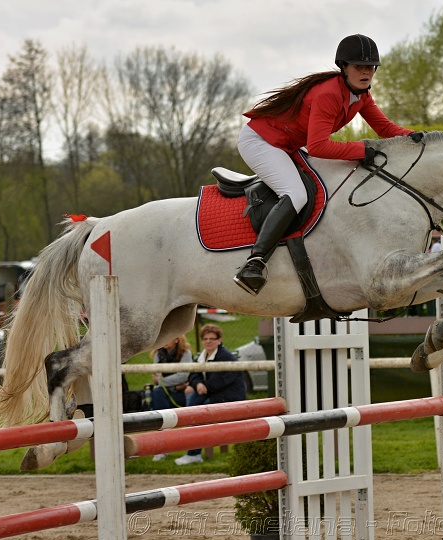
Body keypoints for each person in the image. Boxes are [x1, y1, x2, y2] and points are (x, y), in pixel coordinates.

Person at [234, 34, 417, 295]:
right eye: (359, 67)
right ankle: (254, 262)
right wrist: (359, 150)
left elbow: (385, 128)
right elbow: (319, 146)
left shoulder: (361, 95)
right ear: (344, 67)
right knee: (295, 193)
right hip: (261, 142)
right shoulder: (329, 94)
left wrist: (411, 136)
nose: (366, 72)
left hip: (287, 144)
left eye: (370, 67)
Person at [176, 324, 247, 465]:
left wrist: (203, 386)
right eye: (205, 339)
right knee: (192, 400)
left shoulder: (226, 357)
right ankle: (193, 448)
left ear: (219, 340)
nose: (208, 341)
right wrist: (197, 384)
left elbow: (221, 381)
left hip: (228, 397)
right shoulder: (201, 357)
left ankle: (194, 453)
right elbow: (193, 374)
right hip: (211, 392)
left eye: (212, 339)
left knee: (202, 413)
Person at [148, 335, 195, 461]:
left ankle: (164, 436)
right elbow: (156, 378)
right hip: (165, 392)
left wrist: (163, 381)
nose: (164, 341)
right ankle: (164, 436)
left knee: (159, 395)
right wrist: (173, 383)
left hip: (180, 394)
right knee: (157, 393)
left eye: (167, 337)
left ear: (176, 339)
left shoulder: (185, 353)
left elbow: (183, 376)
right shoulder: (159, 353)